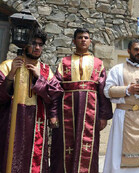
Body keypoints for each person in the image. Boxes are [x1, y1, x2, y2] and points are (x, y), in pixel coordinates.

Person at [50, 28, 113, 173]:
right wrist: (53, 114)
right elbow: (55, 89)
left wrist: (103, 116)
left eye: (86, 37)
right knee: (65, 147)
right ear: (74, 41)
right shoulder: (64, 62)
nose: (83, 40)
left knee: (88, 147)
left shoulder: (98, 63)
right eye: (80, 37)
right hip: (66, 112)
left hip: (90, 112)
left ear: (90, 41)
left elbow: (103, 91)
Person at [0, 29, 63, 172]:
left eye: (40, 44)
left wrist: (38, 77)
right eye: (33, 43)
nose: (37, 48)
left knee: (34, 160)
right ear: (24, 45)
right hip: (11, 120)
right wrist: (11, 75)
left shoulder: (45, 70)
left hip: (36, 122)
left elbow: (54, 95)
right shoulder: (7, 65)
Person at [103, 39, 139, 172]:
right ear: (129, 51)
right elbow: (108, 91)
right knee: (119, 152)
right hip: (124, 117)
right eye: (136, 49)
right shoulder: (118, 69)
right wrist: (128, 90)